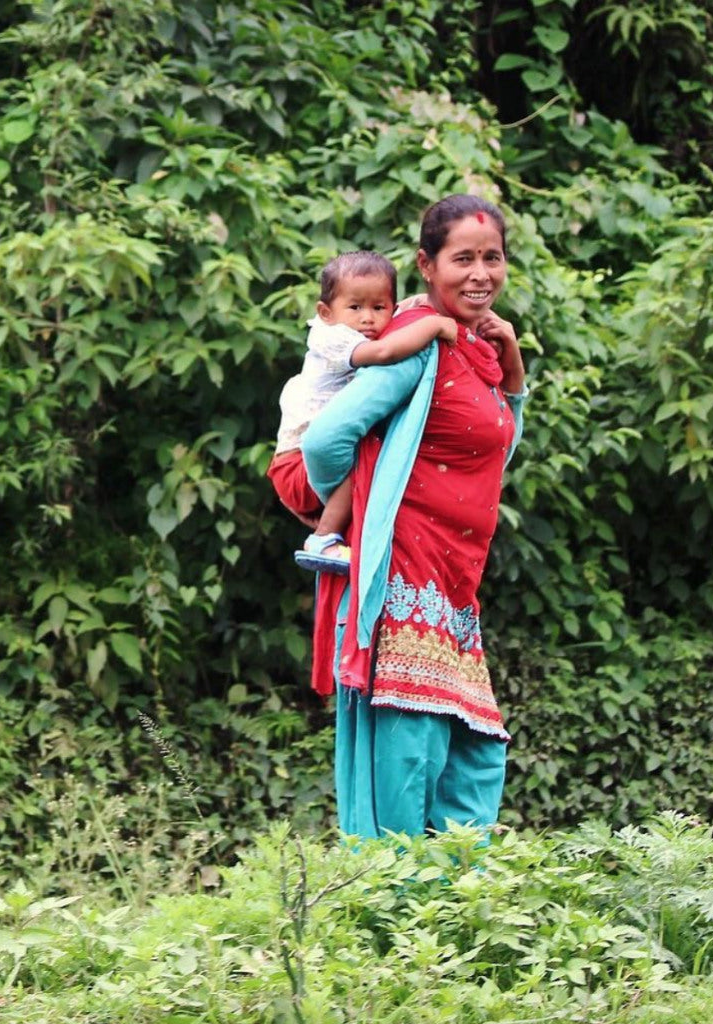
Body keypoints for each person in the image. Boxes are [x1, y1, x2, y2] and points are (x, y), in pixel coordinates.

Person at [299, 194, 528, 839]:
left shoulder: (475, 346)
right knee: (408, 761)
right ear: (427, 265)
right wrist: (348, 509)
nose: (480, 273)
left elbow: (497, 445)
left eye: (493, 258)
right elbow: (326, 440)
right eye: (463, 259)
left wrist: (510, 356)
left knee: (474, 761)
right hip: (402, 580)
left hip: (453, 590)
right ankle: (392, 918)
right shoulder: (416, 342)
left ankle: (459, 910)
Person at [267, 250, 458, 574]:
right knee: (369, 454)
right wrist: (435, 325)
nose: (367, 318)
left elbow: (397, 317)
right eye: (355, 307)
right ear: (325, 312)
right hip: (297, 462)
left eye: (378, 308)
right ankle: (323, 537)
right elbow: (383, 351)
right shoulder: (332, 337)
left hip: (310, 464)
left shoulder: (357, 327)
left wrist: (418, 305)